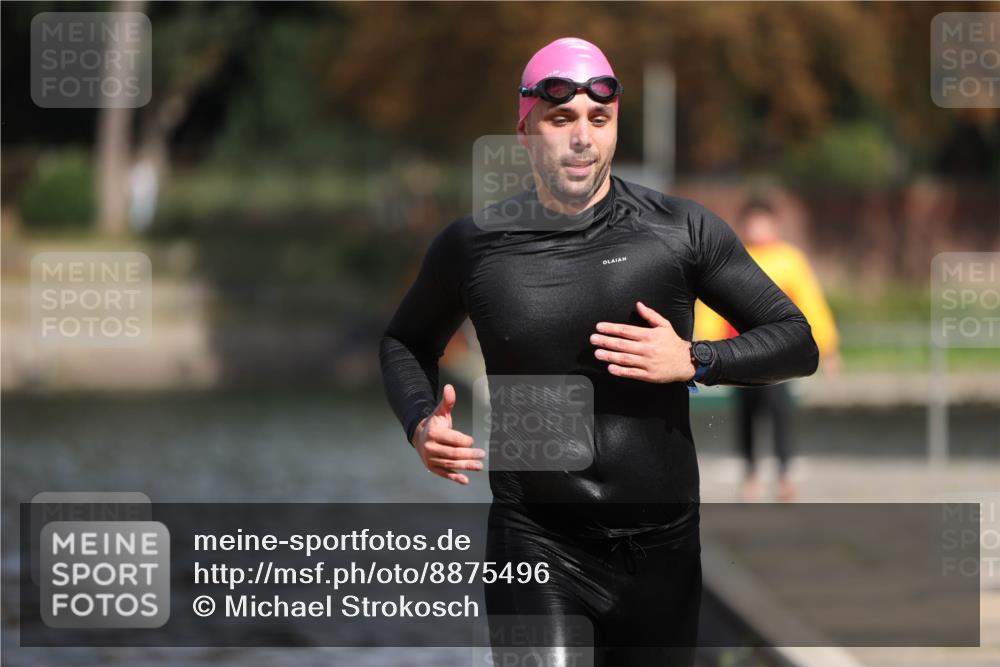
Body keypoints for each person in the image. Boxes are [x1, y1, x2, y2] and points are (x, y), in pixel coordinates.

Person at [379, 37, 819, 667]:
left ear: (615, 126)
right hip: (534, 543)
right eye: (561, 120)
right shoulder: (473, 247)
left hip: (662, 550)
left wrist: (695, 359)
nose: (581, 137)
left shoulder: (679, 231)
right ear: (526, 130)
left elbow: (796, 340)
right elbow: (404, 341)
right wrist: (421, 424)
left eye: (599, 119)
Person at [694, 199, 840, 503]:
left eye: (762, 222)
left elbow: (810, 303)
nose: (756, 228)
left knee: (779, 414)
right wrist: (704, 348)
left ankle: (785, 474)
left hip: (777, 353)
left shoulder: (789, 260)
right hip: (740, 354)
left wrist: (828, 347)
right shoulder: (732, 256)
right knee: (746, 416)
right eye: (751, 222)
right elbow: (712, 307)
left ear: (774, 224)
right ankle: (750, 475)